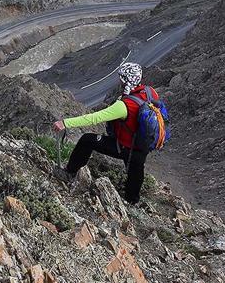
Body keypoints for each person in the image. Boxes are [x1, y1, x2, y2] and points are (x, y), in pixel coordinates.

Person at [53, 62, 157, 204]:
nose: (119, 80)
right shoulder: (150, 92)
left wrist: (65, 123)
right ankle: (132, 201)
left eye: (121, 78)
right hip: (142, 146)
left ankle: (69, 172)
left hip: (125, 147)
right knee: (135, 170)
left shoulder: (123, 105)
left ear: (125, 79)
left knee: (87, 140)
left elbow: (94, 118)